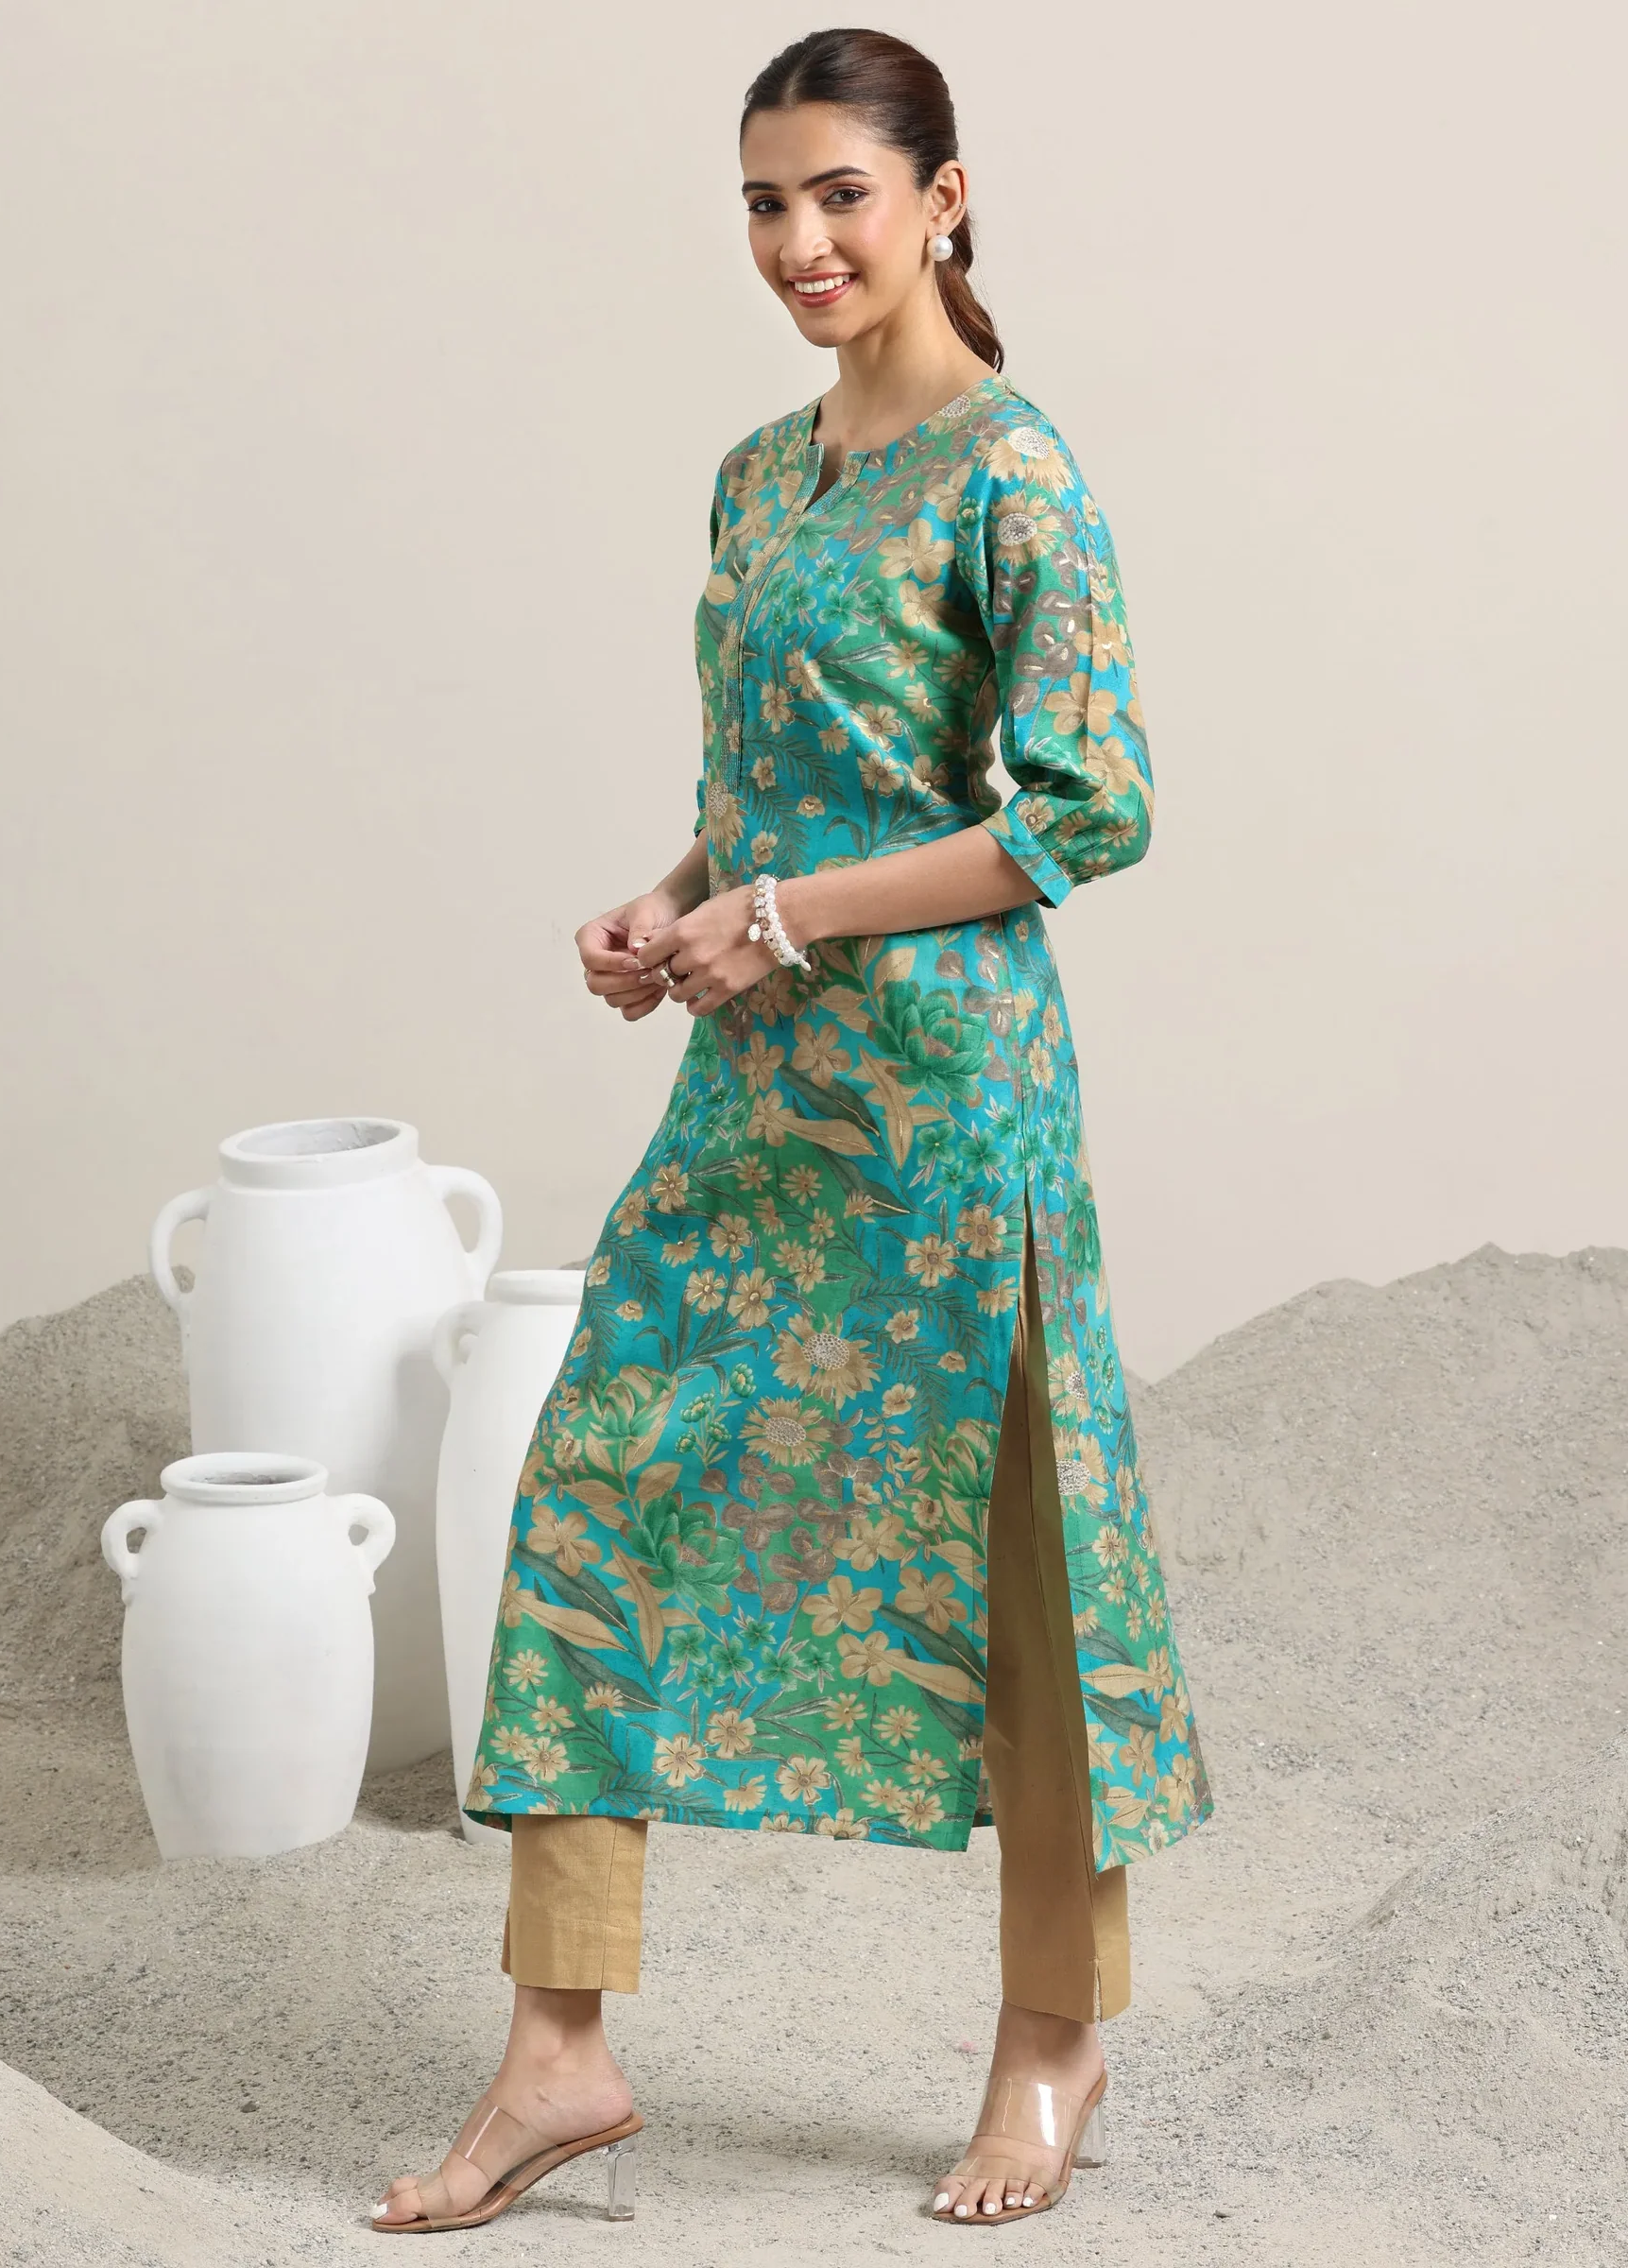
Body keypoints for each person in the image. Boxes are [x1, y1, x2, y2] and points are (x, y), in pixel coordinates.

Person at [372, 26, 1213, 2238]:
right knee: (596, 1484)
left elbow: (1090, 811)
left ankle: (1053, 2041)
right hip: (755, 1086)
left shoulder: (1019, 476)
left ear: (946, 197)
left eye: (842, 192)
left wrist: (787, 915)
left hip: (948, 1105)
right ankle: (559, 2052)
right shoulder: (760, 474)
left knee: (1016, 1570)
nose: (800, 240)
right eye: (766, 200)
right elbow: (773, 777)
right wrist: (672, 902)